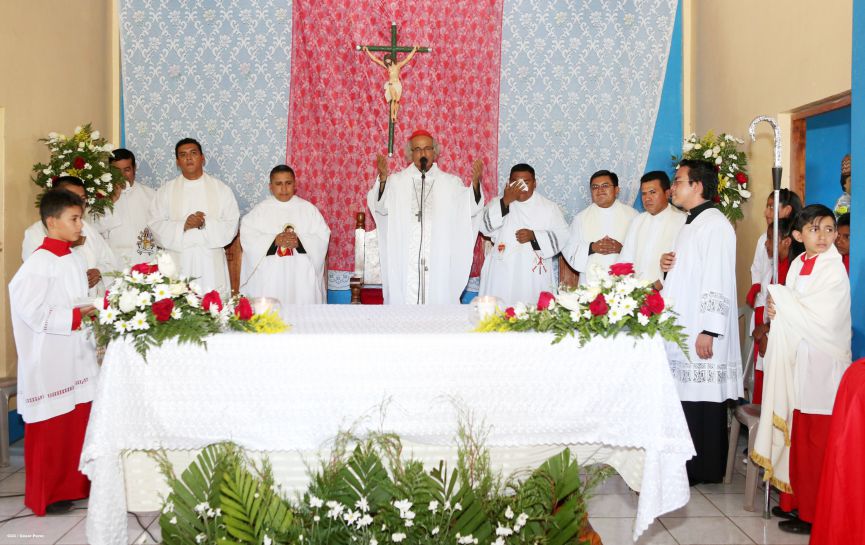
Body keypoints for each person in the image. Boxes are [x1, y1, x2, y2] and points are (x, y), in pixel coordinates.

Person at [752, 204, 851, 535]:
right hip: (798, 361)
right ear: (797, 235)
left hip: (823, 366)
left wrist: (783, 301)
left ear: (836, 234)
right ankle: (796, 502)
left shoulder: (832, 270)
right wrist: (775, 308)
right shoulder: (796, 263)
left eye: (828, 229)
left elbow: (824, 317)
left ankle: (814, 512)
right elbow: (789, 309)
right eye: (813, 229)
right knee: (798, 434)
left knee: (816, 438)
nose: (822, 236)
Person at [8, 189, 99, 515]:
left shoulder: (73, 258)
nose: (80, 225)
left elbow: (72, 300)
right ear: (51, 221)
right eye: (74, 219)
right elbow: (30, 310)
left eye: (80, 218)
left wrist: (94, 308)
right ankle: (48, 493)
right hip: (50, 357)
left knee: (77, 420)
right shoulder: (38, 263)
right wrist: (77, 315)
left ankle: (76, 484)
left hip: (75, 352)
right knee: (52, 425)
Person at [660, 159, 742, 486]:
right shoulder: (691, 222)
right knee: (689, 398)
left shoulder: (715, 224)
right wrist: (667, 268)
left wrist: (709, 329)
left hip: (702, 330)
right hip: (687, 327)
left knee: (702, 400)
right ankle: (689, 465)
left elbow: (717, 278)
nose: (673, 188)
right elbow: (691, 274)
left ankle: (705, 469)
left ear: (697, 186)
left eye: (678, 181)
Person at [367, 129, 484, 304]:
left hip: (438, 259)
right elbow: (380, 207)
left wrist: (474, 187)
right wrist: (383, 181)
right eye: (417, 149)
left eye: (427, 148)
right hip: (405, 259)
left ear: (434, 152)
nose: (423, 153)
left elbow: (469, 210)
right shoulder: (397, 182)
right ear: (410, 154)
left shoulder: (450, 183)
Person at [147, 138, 240, 294]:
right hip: (178, 260)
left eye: (193, 153)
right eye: (183, 155)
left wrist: (204, 223)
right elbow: (154, 224)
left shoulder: (221, 189)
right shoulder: (166, 191)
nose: (188, 158)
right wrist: (183, 225)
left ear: (202, 158)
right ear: (177, 162)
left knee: (213, 308)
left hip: (210, 261)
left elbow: (232, 224)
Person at [478, 163, 569, 305]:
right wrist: (506, 201)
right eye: (516, 182)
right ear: (509, 183)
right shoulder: (499, 202)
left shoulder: (549, 208)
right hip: (503, 271)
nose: (521, 186)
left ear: (535, 184)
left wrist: (534, 236)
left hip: (533, 274)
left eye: (526, 182)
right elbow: (483, 227)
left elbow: (562, 236)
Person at [240, 165, 331, 304]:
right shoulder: (260, 211)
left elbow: (323, 236)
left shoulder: (308, 210)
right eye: (278, 184)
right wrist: (273, 240)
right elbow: (247, 236)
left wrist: (300, 241)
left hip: (301, 277)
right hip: (271, 277)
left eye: (288, 183)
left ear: (295, 184)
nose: (284, 189)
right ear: (270, 186)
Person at [21, 176, 116, 296]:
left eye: (82, 199)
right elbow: (37, 285)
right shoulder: (34, 234)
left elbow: (110, 261)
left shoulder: (86, 228)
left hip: (89, 305)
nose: (79, 205)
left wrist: (99, 272)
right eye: (72, 199)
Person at [750, 217, 804, 404]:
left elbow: (791, 310)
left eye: (771, 238)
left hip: (782, 339)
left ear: (787, 241)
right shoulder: (776, 267)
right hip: (770, 333)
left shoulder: (792, 270)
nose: (766, 243)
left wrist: (767, 331)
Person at [562, 170, 637, 285]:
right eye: (595, 187)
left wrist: (621, 249)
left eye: (605, 186)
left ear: (616, 190)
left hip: (624, 283)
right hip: (591, 283)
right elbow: (569, 247)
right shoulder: (581, 218)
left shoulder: (633, 216)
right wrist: (592, 247)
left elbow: (643, 249)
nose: (600, 190)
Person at [90, 148, 159, 266]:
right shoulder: (100, 198)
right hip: (114, 263)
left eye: (127, 170)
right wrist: (112, 200)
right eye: (117, 171)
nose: (122, 176)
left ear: (134, 168)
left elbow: (159, 229)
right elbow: (95, 229)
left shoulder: (151, 195)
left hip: (145, 260)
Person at [619, 171, 686, 286]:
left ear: (667, 193)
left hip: (666, 293)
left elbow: (682, 264)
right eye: (644, 194)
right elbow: (625, 258)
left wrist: (654, 287)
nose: (647, 198)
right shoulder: (637, 221)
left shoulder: (682, 221)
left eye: (652, 192)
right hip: (636, 294)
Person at [745, 189, 803, 312]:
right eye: (767, 207)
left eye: (771, 207)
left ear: (787, 210)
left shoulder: (797, 243)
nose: (766, 212)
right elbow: (756, 266)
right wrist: (756, 285)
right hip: (764, 299)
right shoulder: (763, 239)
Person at [362, 46, 419, 123]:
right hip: (391, 84)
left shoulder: (398, 65)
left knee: (397, 101)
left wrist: (414, 49)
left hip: (398, 84)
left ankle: (395, 115)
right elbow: (375, 59)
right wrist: (367, 50)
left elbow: (407, 58)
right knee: (394, 99)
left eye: (388, 59)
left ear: (391, 59)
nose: (388, 61)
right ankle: (392, 115)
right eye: (386, 60)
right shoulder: (387, 67)